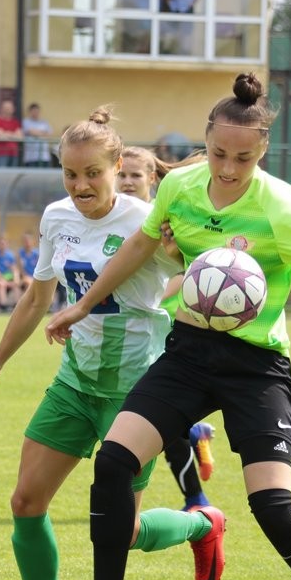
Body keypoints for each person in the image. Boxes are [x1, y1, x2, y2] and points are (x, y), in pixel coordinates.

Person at [44, 73, 291, 580]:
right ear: (206, 143)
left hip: (255, 365)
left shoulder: (282, 206)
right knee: (114, 461)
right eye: (218, 154)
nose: (228, 168)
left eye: (243, 158)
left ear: (262, 152)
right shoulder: (181, 187)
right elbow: (141, 245)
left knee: (272, 507)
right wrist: (83, 304)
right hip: (188, 352)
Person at [0, 107, 226, 580]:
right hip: (75, 383)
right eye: (70, 174)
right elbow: (37, 297)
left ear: (118, 166)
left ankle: (200, 525)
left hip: (138, 393)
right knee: (26, 500)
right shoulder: (56, 218)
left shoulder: (146, 221)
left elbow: (201, 271)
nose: (80, 185)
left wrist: (186, 253)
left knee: (122, 531)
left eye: (92, 174)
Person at [117, 145, 215, 507]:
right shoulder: (114, 216)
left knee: (157, 417)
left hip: (162, 327)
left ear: (152, 179)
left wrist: (156, 298)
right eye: (122, 175)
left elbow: (186, 267)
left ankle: (197, 499)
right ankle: (194, 431)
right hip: (124, 331)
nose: (127, 182)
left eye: (136, 175)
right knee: (148, 415)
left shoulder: (163, 220)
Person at [0, 236, 21, 311]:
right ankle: (3, 305)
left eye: (4, 244)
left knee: (16, 285)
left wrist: (16, 279)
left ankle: (17, 306)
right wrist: (1, 278)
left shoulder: (10, 255)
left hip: (7, 278)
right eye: (0, 243)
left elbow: (14, 269)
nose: (2, 245)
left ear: (7, 244)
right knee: (1, 284)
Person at [0, 99, 23, 167]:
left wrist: (6, 134)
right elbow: (0, 137)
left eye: (10, 108)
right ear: (2, 109)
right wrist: (13, 134)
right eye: (6, 108)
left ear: (13, 109)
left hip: (14, 154)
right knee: (1, 173)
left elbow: (20, 138)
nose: (8, 110)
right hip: (2, 154)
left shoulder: (15, 122)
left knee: (13, 173)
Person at [22, 103, 53, 168]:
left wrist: (37, 133)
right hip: (31, 157)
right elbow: (31, 132)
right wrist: (43, 133)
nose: (35, 113)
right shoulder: (26, 122)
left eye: (37, 111)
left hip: (44, 156)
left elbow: (49, 134)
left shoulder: (44, 122)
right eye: (34, 111)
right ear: (30, 112)